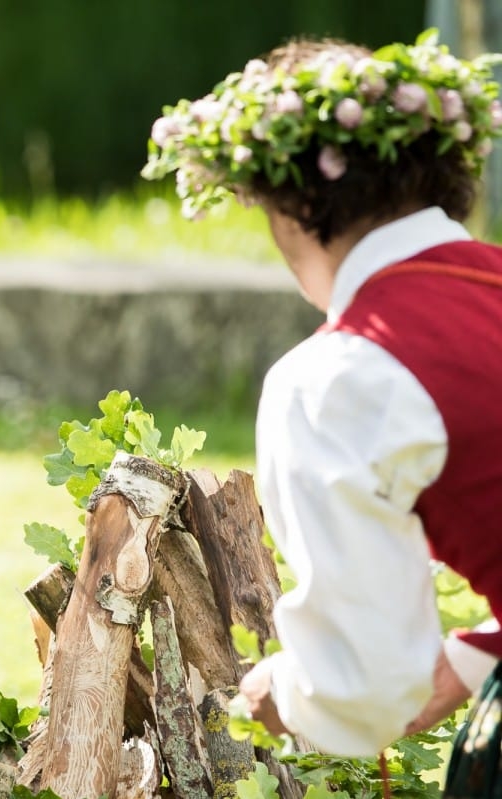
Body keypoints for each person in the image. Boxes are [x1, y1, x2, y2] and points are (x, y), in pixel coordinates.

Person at [142, 30, 502, 795]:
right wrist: (476, 652)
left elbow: (368, 686)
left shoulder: (340, 375)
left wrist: (290, 693)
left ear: (297, 205)